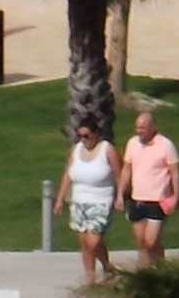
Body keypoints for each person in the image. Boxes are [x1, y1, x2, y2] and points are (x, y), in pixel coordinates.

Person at [117, 106, 179, 266]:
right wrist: (120, 194)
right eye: (137, 127)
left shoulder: (166, 145)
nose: (139, 131)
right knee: (141, 243)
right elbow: (126, 170)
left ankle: (160, 267)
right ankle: (145, 272)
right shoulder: (132, 143)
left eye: (143, 128)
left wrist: (176, 197)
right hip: (137, 199)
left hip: (157, 200)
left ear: (152, 127)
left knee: (151, 242)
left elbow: (175, 173)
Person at [62, 119, 119, 283]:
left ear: (96, 134)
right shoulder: (76, 150)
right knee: (84, 242)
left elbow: (119, 174)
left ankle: (105, 266)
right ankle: (91, 276)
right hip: (79, 201)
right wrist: (60, 198)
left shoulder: (107, 149)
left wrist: (121, 196)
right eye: (80, 136)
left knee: (93, 241)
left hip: (101, 201)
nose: (83, 139)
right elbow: (68, 174)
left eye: (86, 135)